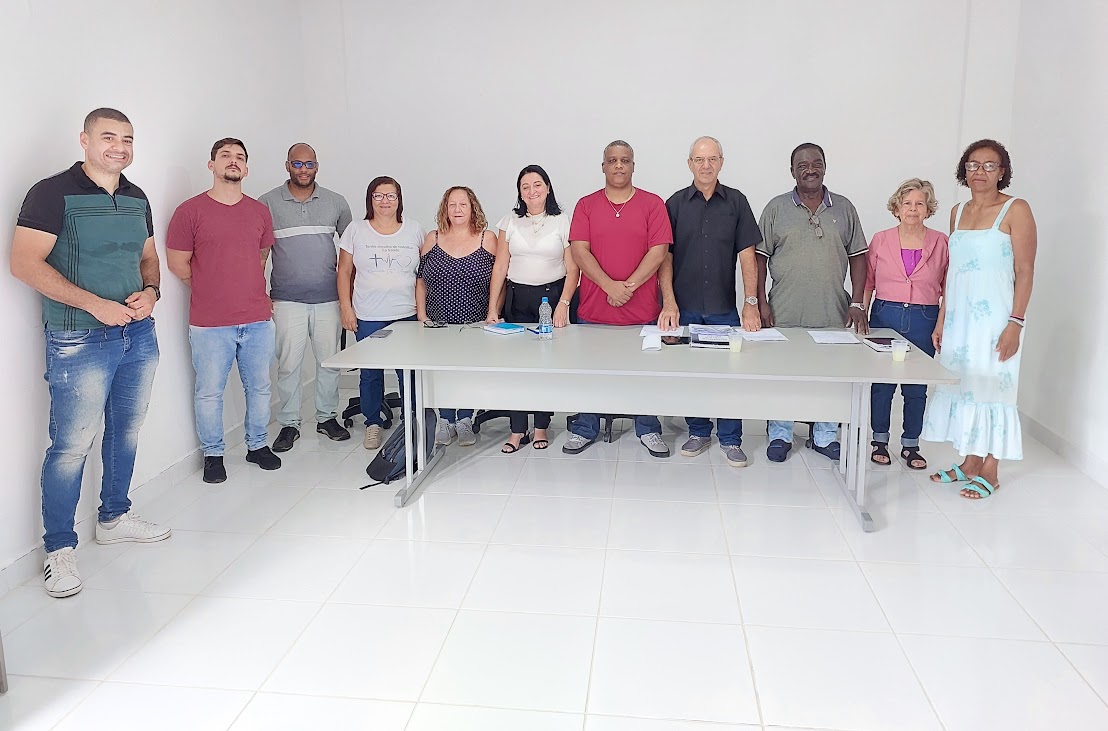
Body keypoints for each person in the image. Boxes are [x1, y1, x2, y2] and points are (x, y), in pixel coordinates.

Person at [10, 108, 170, 598]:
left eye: (127, 139)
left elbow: (149, 257)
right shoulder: (51, 192)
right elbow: (23, 263)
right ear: (84, 140)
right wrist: (93, 304)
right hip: (78, 338)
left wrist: (151, 292)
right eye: (108, 137)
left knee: (126, 431)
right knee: (71, 446)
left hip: (137, 334)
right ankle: (59, 549)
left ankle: (115, 516)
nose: (119, 147)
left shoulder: (136, 196)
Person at [924, 139, 1037, 499]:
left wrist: (1015, 323)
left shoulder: (1016, 209)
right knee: (965, 384)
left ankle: (991, 468)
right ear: (964, 170)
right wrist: (942, 318)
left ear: (1002, 172)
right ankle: (970, 462)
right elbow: (953, 272)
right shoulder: (957, 212)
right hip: (960, 320)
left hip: (996, 320)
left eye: (990, 165)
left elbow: (1025, 270)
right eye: (973, 165)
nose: (980, 172)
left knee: (993, 387)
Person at [167, 138, 282, 483]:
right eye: (225, 156)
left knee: (260, 388)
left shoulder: (259, 211)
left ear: (246, 168)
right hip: (210, 323)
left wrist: (246, 289)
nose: (233, 161)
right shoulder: (190, 211)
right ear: (212, 165)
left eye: (240, 157)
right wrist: (212, 288)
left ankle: (257, 445)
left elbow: (261, 257)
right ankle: (213, 454)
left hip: (257, 319)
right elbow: (178, 264)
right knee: (209, 391)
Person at [757, 142, 869, 463]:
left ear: (825, 166)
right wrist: (759, 300)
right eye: (802, 165)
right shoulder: (776, 208)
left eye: (816, 163)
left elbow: (859, 256)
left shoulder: (844, 208)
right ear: (792, 171)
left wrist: (858, 302)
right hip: (784, 309)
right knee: (784, 374)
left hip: (832, 309)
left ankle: (825, 436)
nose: (810, 169)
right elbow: (760, 257)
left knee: (829, 376)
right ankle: (780, 434)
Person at [564, 140, 673, 457]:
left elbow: (659, 251)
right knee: (590, 374)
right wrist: (609, 286)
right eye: (612, 160)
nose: (619, 165)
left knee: (645, 376)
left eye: (625, 160)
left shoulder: (653, 204)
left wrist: (628, 286)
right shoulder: (586, 205)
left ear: (633, 166)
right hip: (594, 310)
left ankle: (648, 429)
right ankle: (585, 428)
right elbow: (579, 251)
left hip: (642, 312)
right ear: (603, 167)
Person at [659, 136, 762, 467]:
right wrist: (669, 302)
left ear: (721, 162)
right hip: (685, 307)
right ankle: (698, 431)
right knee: (693, 375)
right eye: (700, 159)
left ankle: (731, 439)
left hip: (723, 308)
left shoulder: (736, 202)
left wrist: (750, 302)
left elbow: (747, 255)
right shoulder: (674, 204)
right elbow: (664, 258)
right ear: (689, 163)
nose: (706, 165)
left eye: (712, 159)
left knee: (729, 375)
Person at [259, 143, 353, 453]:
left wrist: (348, 298)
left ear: (317, 166)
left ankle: (327, 418)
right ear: (287, 165)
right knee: (289, 365)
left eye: (309, 164)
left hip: (328, 299)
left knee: (329, 363)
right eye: (297, 164)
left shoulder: (336, 203)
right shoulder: (267, 203)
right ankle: (289, 424)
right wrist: (260, 294)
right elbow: (259, 255)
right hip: (286, 300)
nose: (303, 169)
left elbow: (351, 254)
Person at [486, 164, 579, 453]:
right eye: (525, 187)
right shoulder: (510, 221)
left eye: (537, 185)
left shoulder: (562, 221)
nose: (532, 191)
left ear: (548, 188)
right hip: (516, 299)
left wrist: (563, 304)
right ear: (520, 192)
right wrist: (492, 308)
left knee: (544, 367)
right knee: (515, 367)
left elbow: (573, 268)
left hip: (551, 299)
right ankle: (517, 430)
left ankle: (541, 426)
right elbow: (500, 266)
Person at [864, 179, 950, 470]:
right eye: (907, 203)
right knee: (882, 384)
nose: (913, 209)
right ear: (897, 208)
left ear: (928, 209)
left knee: (916, 386)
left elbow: (948, 288)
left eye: (919, 203)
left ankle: (911, 444)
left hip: (923, 317)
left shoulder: (941, 242)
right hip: (884, 314)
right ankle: (879, 441)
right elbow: (868, 282)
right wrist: (861, 316)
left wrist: (940, 325)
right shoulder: (880, 239)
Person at [338, 176, 424, 450]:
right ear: (370, 200)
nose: (385, 201)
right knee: (370, 373)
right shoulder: (356, 230)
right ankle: (372, 423)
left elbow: (423, 274)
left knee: (408, 372)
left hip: (406, 314)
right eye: (378, 195)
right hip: (368, 314)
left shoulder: (414, 230)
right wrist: (346, 308)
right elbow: (344, 271)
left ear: (399, 200)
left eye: (390, 195)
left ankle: (412, 420)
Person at [417, 186, 497, 447]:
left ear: (473, 208)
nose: (458, 209)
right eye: (452, 204)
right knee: (441, 373)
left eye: (463, 204)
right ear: (445, 209)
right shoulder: (433, 238)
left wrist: (492, 312)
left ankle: (464, 420)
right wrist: (422, 315)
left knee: (467, 372)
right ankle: (445, 419)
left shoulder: (487, 238)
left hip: (474, 321)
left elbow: (499, 282)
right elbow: (421, 280)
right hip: (438, 322)